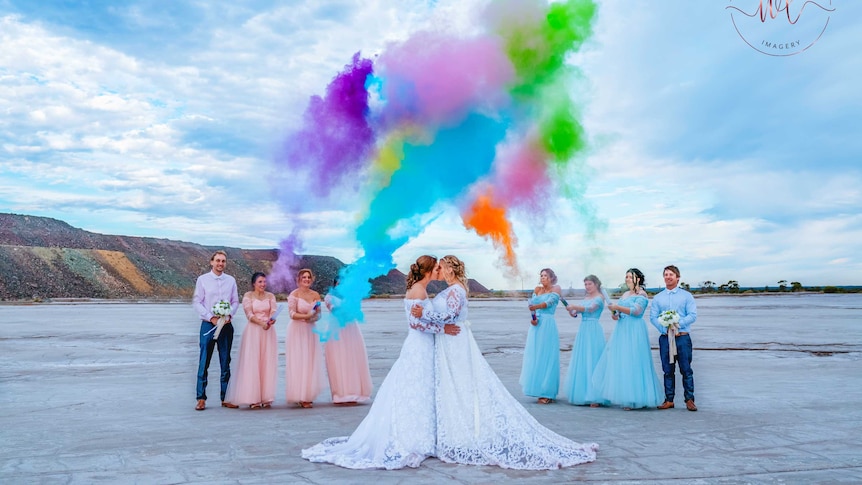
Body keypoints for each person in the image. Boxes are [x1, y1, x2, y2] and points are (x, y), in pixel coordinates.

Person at [410, 255, 598, 469]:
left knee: (461, 383)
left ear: (450, 270)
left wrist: (424, 312)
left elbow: (450, 316)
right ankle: (455, 430)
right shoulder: (453, 288)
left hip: (455, 341)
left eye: (441, 268)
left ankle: (465, 432)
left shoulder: (456, 290)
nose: (439, 272)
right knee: (454, 385)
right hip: (450, 341)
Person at [301, 255, 460, 469]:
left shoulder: (419, 289)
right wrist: (444, 328)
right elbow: (415, 324)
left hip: (421, 345)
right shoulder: (419, 291)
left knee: (419, 388)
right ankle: (412, 436)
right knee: (416, 387)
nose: (439, 271)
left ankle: (422, 433)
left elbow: (422, 318)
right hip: (419, 344)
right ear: (429, 271)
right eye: (437, 268)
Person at [591, 268, 663, 410]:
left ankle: (634, 398)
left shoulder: (642, 294)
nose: (627, 279)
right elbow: (618, 313)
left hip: (635, 329)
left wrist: (618, 306)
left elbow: (637, 312)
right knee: (622, 360)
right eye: (626, 276)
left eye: (630, 276)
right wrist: (615, 313)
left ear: (638, 279)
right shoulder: (624, 294)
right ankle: (624, 395)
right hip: (622, 329)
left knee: (634, 360)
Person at [192, 250, 240, 411]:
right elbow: (197, 302)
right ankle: (201, 398)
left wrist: (229, 315)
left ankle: (225, 397)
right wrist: (210, 317)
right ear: (212, 262)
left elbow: (235, 301)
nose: (220, 264)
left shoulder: (231, 280)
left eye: (223, 261)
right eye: (218, 260)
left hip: (226, 325)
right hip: (208, 324)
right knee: (204, 360)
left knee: (225, 361)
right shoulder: (203, 280)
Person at [223, 272, 278, 409]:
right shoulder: (248, 296)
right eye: (260, 282)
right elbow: (249, 314)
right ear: (254, 283)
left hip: (268, 332)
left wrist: (271, 320)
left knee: (267, 363)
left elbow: (273, 311)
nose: (263, 284)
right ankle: (253, 398)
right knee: (252, 363)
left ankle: (266, 397)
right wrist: (261, 323)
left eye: (264, 282)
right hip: (254, 331)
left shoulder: (270, 296)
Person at [649, 265, 698, 411]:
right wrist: (665, 327)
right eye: (666, 274)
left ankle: (689, 399)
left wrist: (677, 325)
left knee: (686, 369)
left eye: (671, 274)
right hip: (665, 338)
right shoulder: (658, 298)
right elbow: (653, 317)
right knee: (667, 370)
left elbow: (692, 315)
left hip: (682, 337)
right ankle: (669, 399)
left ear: (677, 277)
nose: (668, 277)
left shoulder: (686, 296)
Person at [323, 277, 373, 405]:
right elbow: (333, 309)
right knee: (338, 359)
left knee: (352, 358)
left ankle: (354, 391)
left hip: (351, 329)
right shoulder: (329, 296)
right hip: (336, 329)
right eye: (338, 284)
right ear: (335, 285)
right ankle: (340, 393)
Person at [562, 275, 608, 407]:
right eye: (586, 284)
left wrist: (575, 306)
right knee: (583, 359)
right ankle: (583, 393)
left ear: (596, 284)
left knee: (593, 359)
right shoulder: (586, 298)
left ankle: (595, 396)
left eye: (590, 284)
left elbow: (591, 309)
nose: (587, 287)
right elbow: (578, 313)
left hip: (593, 329)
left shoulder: (600, 298)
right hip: (583, 329)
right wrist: (572, 312)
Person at [521, 268, 563, 404]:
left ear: (551, 278)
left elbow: (549, 303)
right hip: (537, 324)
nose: (543, 277)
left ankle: (548, 392)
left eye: (545, 275)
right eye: (541, 275)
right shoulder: (537, 289)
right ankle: (538, 388)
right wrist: (533, 317)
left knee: (547, 355)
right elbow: (532, 306)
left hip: (548, 324)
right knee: (536, 355)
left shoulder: (556, 289)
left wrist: (536, 306)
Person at [285, 268, 324, 408]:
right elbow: (292, 313)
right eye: (304, 277)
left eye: (308, 277)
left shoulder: (315, 295)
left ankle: (307, 394)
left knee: (309, 361)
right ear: (299, 279)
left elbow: (319, 314)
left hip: (310, 330)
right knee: (298, 360)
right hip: (296, 330)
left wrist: (313, 318)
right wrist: (306, 316)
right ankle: (299, 394)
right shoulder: (294, 294)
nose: (306, 279)